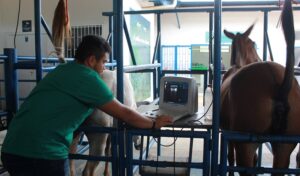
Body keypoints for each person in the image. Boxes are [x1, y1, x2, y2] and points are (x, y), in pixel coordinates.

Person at [1, 35, 173, 176]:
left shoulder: (62, 70)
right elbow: (124, 113)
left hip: (12, 148)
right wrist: (153, 123)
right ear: (91, 60)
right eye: (104, 62)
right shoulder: (88, 78)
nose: (104, 67)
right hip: (43, 154)